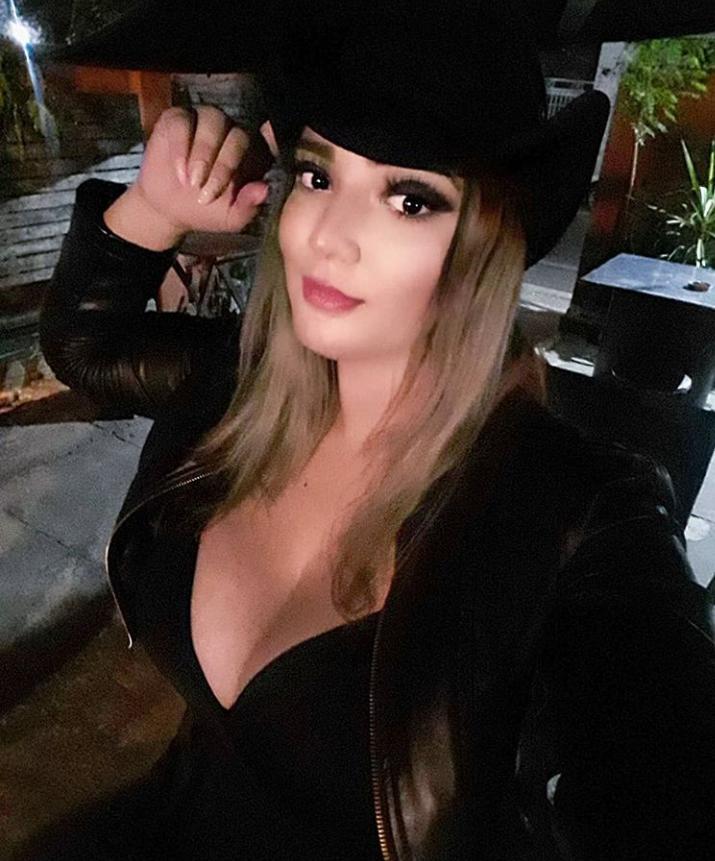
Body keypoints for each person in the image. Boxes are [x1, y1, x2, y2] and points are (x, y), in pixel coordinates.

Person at [30, 1, 714, 858]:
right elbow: (87, 345)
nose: (328, 237)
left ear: (484, 240)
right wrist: (152, 207)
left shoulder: (581, 519)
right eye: (318, 177)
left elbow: (659, 779)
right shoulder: (238, 385)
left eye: (408, 199)